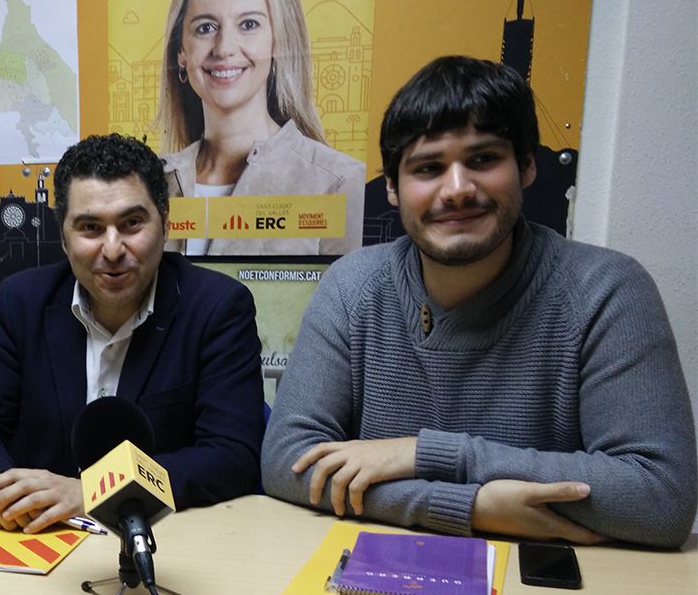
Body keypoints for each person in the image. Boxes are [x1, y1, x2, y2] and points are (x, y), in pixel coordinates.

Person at [260, 56, 697, 548]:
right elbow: (286, 461)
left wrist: (424, 454)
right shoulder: (352, 287)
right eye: (428, 168)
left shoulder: (606, 291)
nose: (458, 189)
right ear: (392, 188)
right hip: (379, 583)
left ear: (527, 165)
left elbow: (661, 497)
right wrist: (470, 508)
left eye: (484, 159)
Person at [0, 133, 265, 532]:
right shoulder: (22, 300)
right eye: (90, 227)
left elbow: (231, 455)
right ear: (63, 236)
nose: (112, 249)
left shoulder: (217, 307)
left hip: (166, 540)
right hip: (38, 538)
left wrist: (91, 491)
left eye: (131, 223)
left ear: (165, 222)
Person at [156, 0, 365, 256]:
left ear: (278, 42)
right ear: (181, 51)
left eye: (249, 25)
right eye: (205, 27)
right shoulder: (149, 180)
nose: (225, 48)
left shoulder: (336, 182)